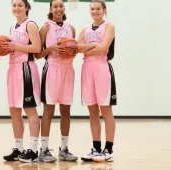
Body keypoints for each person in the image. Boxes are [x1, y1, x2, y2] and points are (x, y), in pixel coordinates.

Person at [35, 0, 78, 163]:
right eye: (55, 6)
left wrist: (71, 52)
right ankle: (44, 150)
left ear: (64, 8)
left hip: (68, 70)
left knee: (66, 110)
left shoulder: (70, 28)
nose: (59, 9)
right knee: (49, 110)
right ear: (50, 9)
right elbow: (37, 54)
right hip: (51, 69)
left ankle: (64, 149)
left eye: (61, 6)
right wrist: (51, 48)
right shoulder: (46, 27)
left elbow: (72, 50)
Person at [2, 0, 41, 163]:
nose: (16, 8)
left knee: (30, 110)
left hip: (25, 69)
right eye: (14, 5)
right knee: (14, 110)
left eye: (20, 5)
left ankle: (32, 149)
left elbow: (37, 48)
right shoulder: (13, 27)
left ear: (26, 7)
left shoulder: (30, 25)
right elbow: (15, 46)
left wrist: (15, 46)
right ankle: (18, 148)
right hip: (13, 69)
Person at [77, 0, 116, 162]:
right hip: (87, 69)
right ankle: (96, 148)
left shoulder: (109, 26)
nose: (95, 11)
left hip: (102, 69)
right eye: (92, 9)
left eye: (98, 8)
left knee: (106, 111)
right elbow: (77, 47)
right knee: (92, 111)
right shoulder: (84, 29)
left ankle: (108, 149)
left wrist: (86, 47)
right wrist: (92, 46)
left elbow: (104, 48)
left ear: (104, 10)